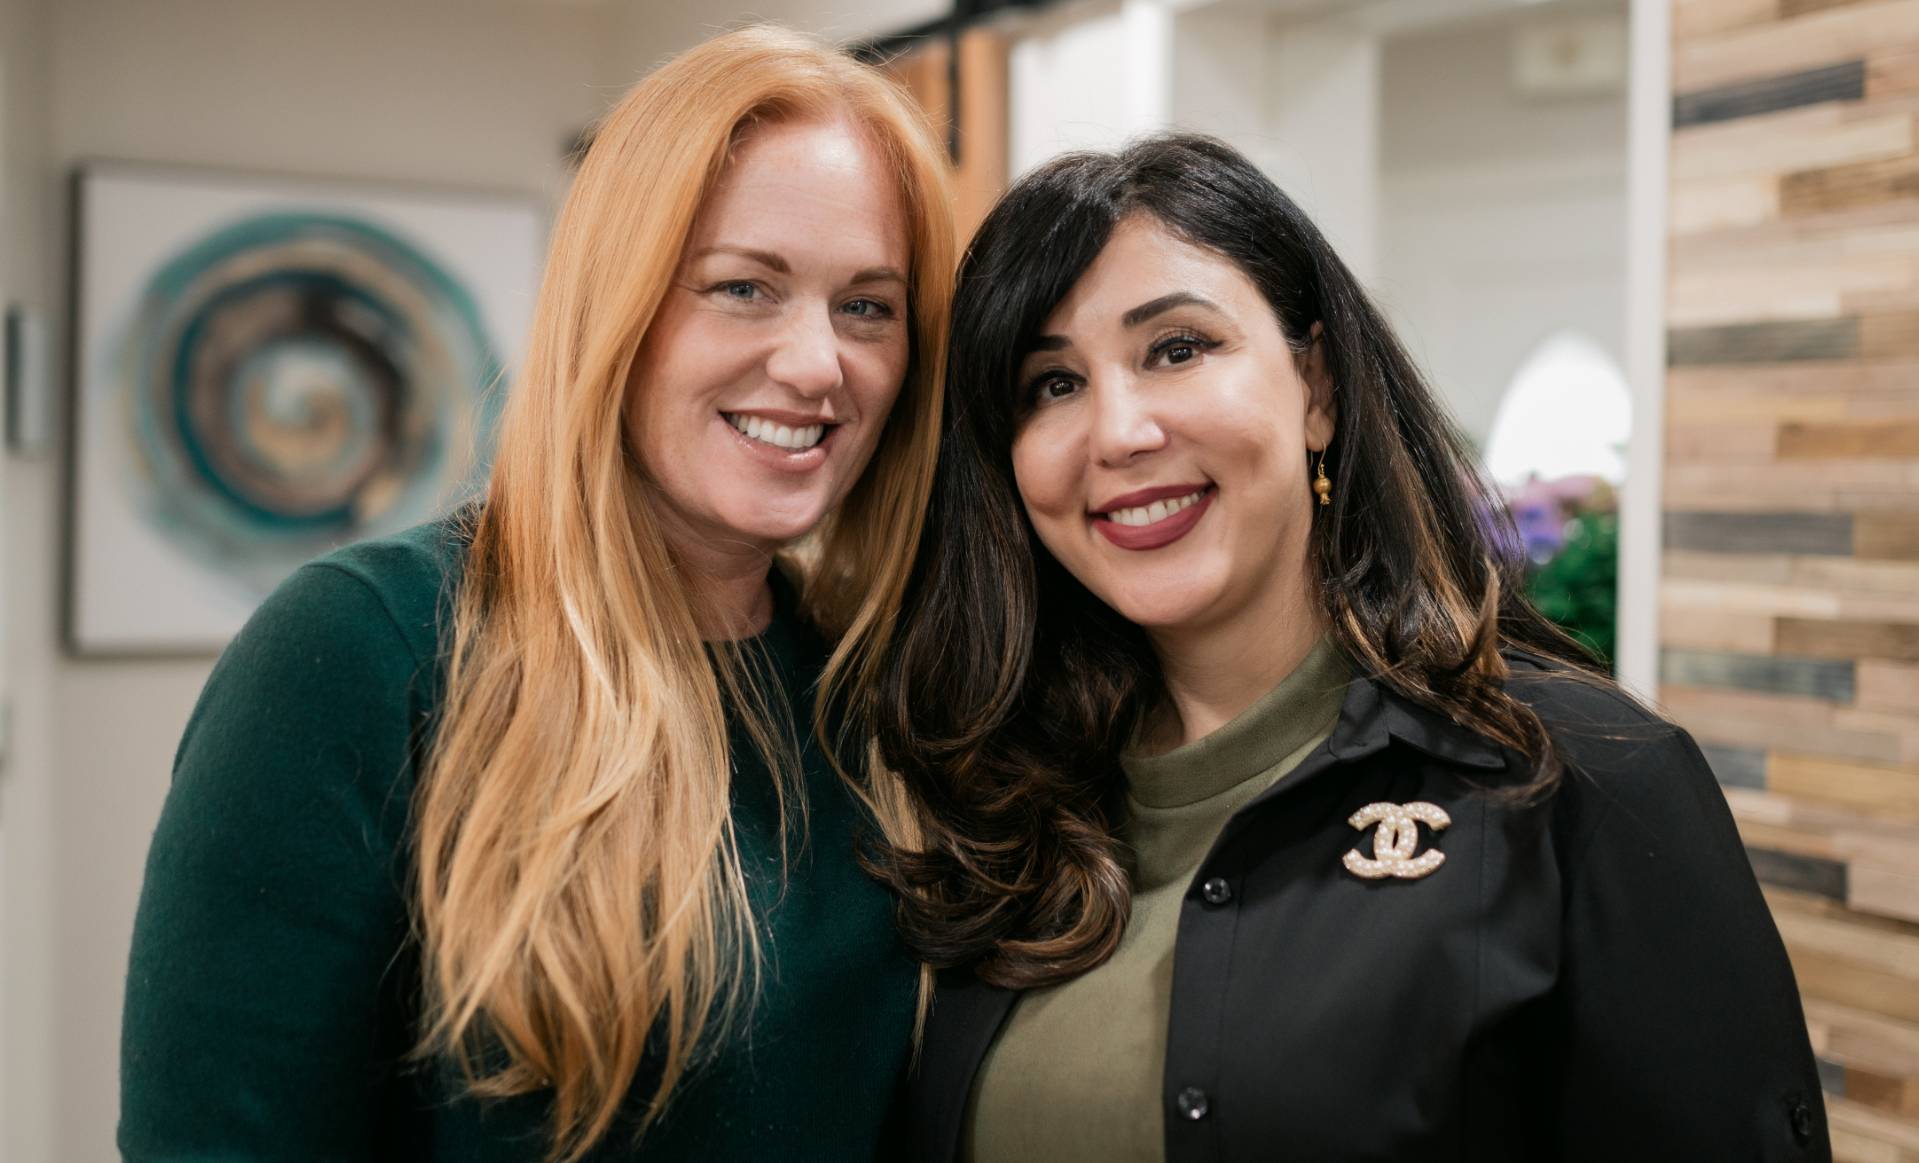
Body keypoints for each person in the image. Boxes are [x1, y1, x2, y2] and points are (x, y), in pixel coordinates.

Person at [870, 134, 1829, 1162]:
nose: (1117, 431)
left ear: (1315, 384)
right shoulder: (998, 812)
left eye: (1177, 348)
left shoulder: (1582, 779)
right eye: (1048, 385)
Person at [119, 26, 955, 1162]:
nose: (817, 363)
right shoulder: (362, 651)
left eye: (866, 306)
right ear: (616, 309)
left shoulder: (870, 690)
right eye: (743, 287)